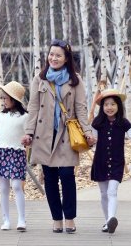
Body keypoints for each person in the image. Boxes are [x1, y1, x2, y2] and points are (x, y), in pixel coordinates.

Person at [21, 39, 95, 234]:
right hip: (44, 135)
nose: (53, 58)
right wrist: (28, 132)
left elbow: (81, 107)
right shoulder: (40, 78)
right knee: (51, 179)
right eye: (51, 54)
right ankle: (56, 219)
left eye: (58, 55)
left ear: (66, 58)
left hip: (66, 134)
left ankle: (69, 218)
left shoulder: (75, 80)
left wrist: (87, 132)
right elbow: (33, 107)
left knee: (67, 176)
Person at [90, 89, 131, 234]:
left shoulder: (124, 123)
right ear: (102, 107)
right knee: (103, 193)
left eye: (113, 104)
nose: (109, 107)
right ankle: (107, 221)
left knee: (112, 191)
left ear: (118, 106)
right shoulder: (97, 123)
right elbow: (92, 142)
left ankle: (111, 219)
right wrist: (88, 140)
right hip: (100, 162)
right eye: (106, 105)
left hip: (117, 162)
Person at [0, 81, 28, 232]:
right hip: (0, 152)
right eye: (2, 98)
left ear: (14, 99)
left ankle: (22, 219)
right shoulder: (2, 116)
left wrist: (27, 144)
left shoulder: (25, 117)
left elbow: (28, 135)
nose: (3, 101)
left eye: (5, 98)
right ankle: (6, 220)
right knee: (3, 187)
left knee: (17, 186)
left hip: (17, 152)